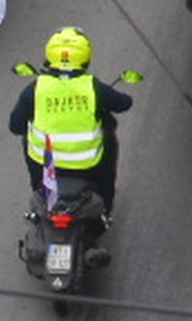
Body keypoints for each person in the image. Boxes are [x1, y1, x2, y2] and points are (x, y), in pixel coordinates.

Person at [8, 27, 132, 201]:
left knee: (27, 138)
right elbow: (124, 104)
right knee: (108, 143)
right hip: (88, 166)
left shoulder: (37, 87)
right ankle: (106, 205)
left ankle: (38, 192)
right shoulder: (92, 87)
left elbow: (15, 127)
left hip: (45, 168)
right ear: (85, 57)